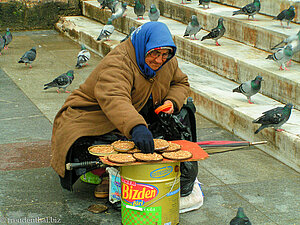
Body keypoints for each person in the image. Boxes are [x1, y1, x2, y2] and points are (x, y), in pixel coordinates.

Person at [50, 21, 192, 198]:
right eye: (154, 53)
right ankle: (106, 173)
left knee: (183, 114)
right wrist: (136, 127)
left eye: (164, 54)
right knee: (98, 144)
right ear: (144, 46)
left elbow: (180, 83)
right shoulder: (119, 61)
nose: (158, 60)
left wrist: (172, 101)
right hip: (94, 115)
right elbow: (115, 98)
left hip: (137, 110)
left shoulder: (167, 61)